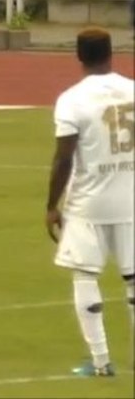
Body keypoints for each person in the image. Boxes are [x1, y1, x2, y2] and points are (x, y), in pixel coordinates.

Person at [44, 27, 134, 377]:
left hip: (90, 200)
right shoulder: (133, 89)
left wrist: (52, 205)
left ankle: (100, 362)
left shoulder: (72, 99)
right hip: (131, 197)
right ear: (112, 52)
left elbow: (63, 158)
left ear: (78, 56)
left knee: (85, 274)